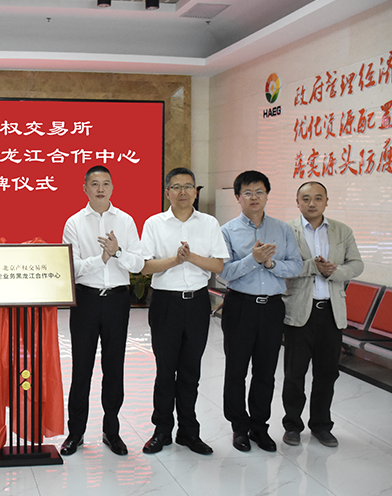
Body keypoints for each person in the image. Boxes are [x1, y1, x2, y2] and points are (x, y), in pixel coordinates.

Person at [140, 168, 229, 455]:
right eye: (176, 187)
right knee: (166, 371)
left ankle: (189, 432)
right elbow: (145, 267)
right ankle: (162, 430)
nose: (182, 192)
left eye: (188, 186)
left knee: (191, 371)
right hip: (166, 303)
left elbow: (218, 265)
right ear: (167, 192)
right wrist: (175, 261)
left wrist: (190, 257)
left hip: (197, 303)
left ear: (195, 191)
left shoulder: (209, 223)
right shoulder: (154, 223)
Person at [60, 165, 144, 456]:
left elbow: (138, 263)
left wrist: (117, 252)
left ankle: (112, 431)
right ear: (84, 188)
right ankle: (76, 433)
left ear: (112, 188)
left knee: (114, 367)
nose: (100, 189)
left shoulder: (126, 220)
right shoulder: (74, 222)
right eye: (94, 183)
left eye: (105, 183)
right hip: (86, 300)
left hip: (117, 301)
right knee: (81, 369)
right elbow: (72, 267)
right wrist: (103, 258)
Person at [220, 170, 302, 453]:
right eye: (247, 192)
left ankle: (259, 426)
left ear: (267, 195)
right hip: (239, 306)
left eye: (259, 192)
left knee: (266, 371)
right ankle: (238, 427)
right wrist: (253, 259)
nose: (254, 197)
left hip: (272, 308)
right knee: (236, 370)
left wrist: (270, 264)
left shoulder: (282, 229)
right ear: (237, 197)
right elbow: (223, 272)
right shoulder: (227, 231)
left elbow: (296, 266)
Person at [281, 181, 363, 448]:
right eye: (306, 198)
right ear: (297, 202)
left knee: (327, 373)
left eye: (318, 198)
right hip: (299, 312)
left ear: (327, 201)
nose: (312, 203)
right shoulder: (287, 231)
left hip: (331, 312)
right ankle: (292, 425)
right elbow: (282, 267)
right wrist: (313, 267)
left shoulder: (341, 230)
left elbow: (357, 264)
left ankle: (321, 426)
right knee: (294, 374)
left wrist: (334, 271)